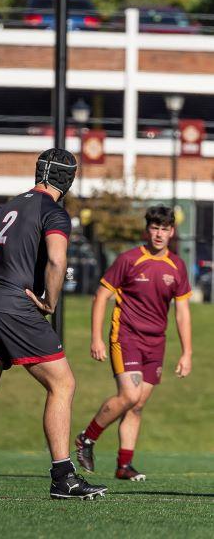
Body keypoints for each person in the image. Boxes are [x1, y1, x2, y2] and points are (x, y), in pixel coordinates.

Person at [0, 148, 106, 500]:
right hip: (17, 308)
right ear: (68, 179)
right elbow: (56, 258)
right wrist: (49, 301)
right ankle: (63, 477)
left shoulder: (7, 207)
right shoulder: (53, 211)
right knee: (63, 384)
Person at [75, 206, 192, 481]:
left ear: (172, 232)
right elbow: (101, 297)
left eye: (165, 229)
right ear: (147, 229)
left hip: (156, 344)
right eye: (154, 227)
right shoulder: (128, 260)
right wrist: (96, 338)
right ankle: (87, 439)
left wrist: (187, 352)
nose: (159, 234)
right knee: (129, 395)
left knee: (137, 405)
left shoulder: (177, 266)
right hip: (125, 337)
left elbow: (183, 311)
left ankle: (124, 465)